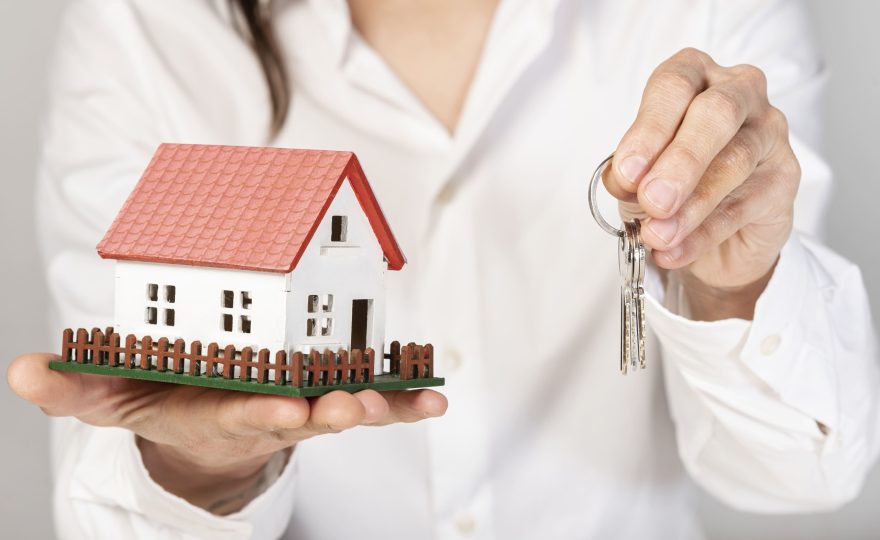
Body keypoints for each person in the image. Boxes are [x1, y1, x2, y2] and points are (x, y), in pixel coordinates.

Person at [7, 0, 880, 538]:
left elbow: (806, 471)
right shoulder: (140, 28)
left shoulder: (710, 19)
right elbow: (107, 523)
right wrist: (199, 469)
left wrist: (731, 284)